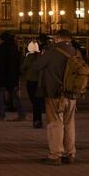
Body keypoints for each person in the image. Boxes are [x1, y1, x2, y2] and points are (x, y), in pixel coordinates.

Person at [33, 29, 78, 165]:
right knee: (69, 124)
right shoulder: (75, 51)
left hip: (55, 93)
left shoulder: (53, 51)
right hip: (72, 93)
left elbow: (36, 66)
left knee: (55, 124)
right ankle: (70, 153)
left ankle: (55, 155)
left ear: (57, 38)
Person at [0, 33, 25, 122]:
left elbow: (1, 65)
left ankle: (1, 115)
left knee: (0, 96)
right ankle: (21, 114)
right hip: (13, 77)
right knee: (15, 96)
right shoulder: (14, 48)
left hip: (3, 77)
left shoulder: (2, 49)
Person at [20, 41, 43, 128]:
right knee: (38, 101)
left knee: (34, 101)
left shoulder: (29, 57)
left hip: (31, 81)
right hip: (39, 81)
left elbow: (23, 68)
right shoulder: (41, 57)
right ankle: (38, 119)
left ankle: (37, 120)